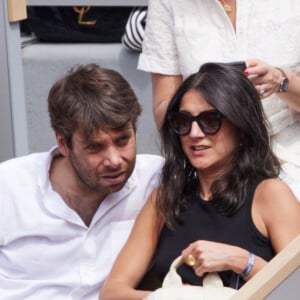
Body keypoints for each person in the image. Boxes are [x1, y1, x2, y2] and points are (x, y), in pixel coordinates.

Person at [100, 63, 300, 300]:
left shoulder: (270, 195)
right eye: (183, 121)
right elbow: (112, 293)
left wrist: (241, 261)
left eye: (210, 119)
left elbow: (295, 289)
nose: (194, 133)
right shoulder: (166, 199)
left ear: (241, 126)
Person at [0, 64, 164, 300]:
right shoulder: (9, 186)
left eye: (123, 140)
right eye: (95, 147)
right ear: (63, 143)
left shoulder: (155, 179)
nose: (114, 160)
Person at [137, 0, 300, 199]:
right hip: (210, 167)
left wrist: (280, 81)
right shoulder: (168, 3)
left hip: (292, 157)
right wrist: (203, 109)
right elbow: (164, 108)